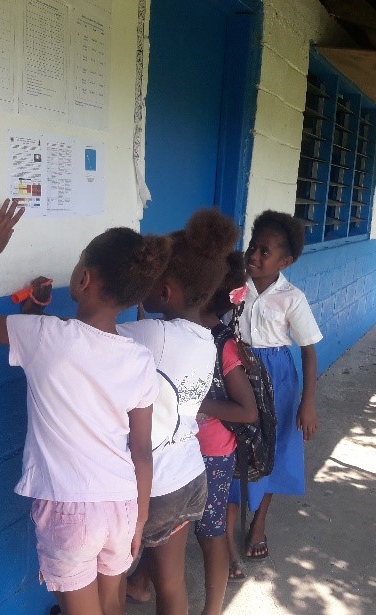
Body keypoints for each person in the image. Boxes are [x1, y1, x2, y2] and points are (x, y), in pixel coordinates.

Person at [0, 199, 172, 615]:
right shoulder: (139, 357)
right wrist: (140, 518)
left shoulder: (44, 338)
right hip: (123, 504)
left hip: (71, 508)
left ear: (83, 278)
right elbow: (141, 451)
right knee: (110, 605)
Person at [119, 208, 239, 615]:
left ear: (166, 292)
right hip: (190, 477)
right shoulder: (206, 339)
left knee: (110, 575)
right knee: (170, 583)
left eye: (148, 281)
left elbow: (91, 335)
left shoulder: (151, 334)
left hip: (152, 486)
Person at [225, 210, 322, 574]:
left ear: (286, 261)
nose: (253, 256)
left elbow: (309, 350)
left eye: (264, 251)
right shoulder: (235, 287)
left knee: (273, 447)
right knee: (234, 451)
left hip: (278, 379)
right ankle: (228, 539)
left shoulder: (291, 298)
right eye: (252, 246)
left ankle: (259, 522)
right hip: (236, 374)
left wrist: (307, 403)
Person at [195, 251, 258, 613]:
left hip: (213, 453)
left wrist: (197, 403)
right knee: (169, 527)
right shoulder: (172, 331)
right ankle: (141, 582)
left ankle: (213, 609)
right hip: (178, 449)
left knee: (210, 530)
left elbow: (247, 411)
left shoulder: (224, 344)